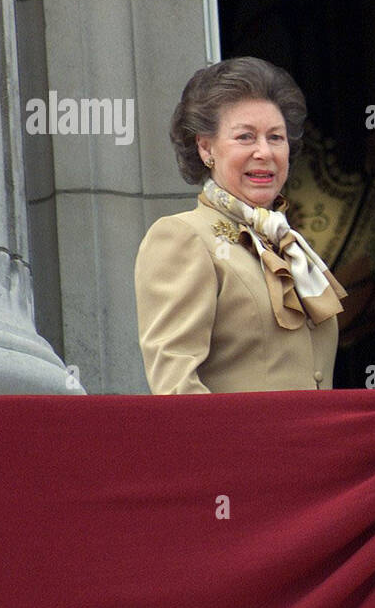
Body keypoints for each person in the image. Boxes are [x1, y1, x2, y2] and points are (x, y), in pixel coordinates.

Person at [134, 57, 346, 393]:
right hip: (243, 446)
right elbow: (176, 389)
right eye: (245, 137)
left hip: (314, 445)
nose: (264, 151)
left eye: (276, 137)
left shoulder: (288, 244)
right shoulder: (182, 236)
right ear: (206, 148)